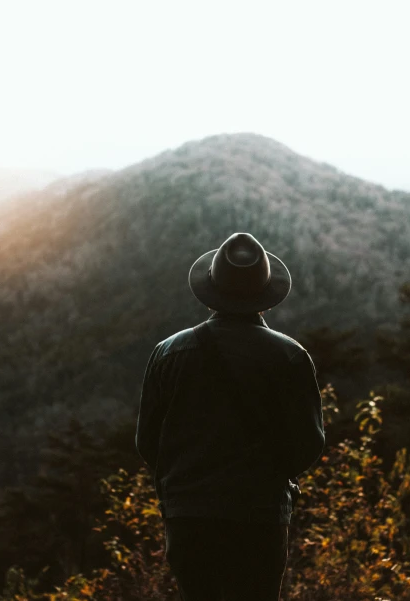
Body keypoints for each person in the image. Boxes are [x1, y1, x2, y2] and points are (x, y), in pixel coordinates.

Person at [136, 232, 325, 601]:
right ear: (265, 295)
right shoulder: (290, 357)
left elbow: (147, 442)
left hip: (189, 517)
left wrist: (181, 484)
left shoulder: (168, 353)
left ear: (211, 287)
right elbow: (309, 444)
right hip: (261, 517)